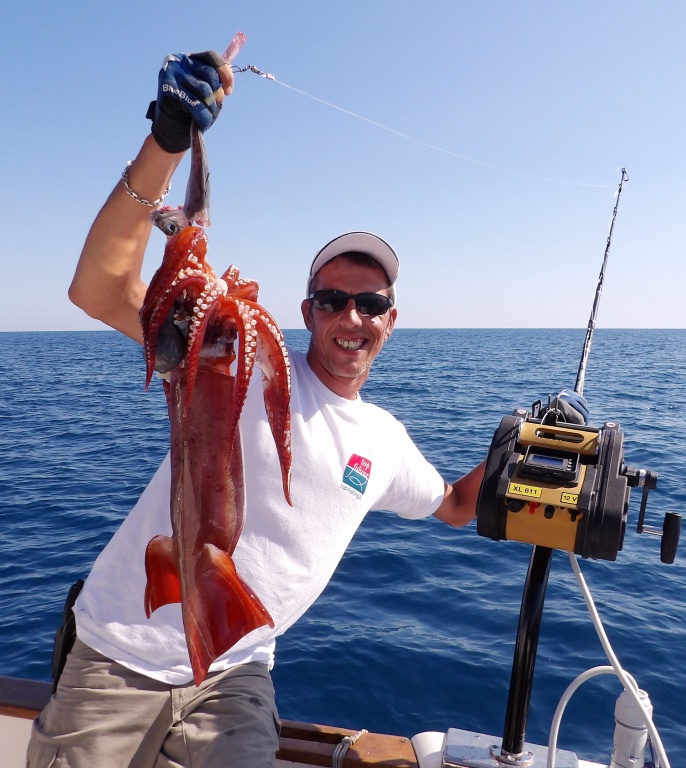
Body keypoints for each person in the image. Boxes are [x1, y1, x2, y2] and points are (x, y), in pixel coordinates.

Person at [26, 49, 489, 768]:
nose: (351, 316)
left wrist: (521, 450)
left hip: (235, 670)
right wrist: (169, 140)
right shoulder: (225, 354)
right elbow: (96, 289)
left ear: (391, 320)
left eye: (370, 304)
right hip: (121, 648)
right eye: (333, 300)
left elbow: (458, 506)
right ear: (305, 311)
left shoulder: (384, 441)